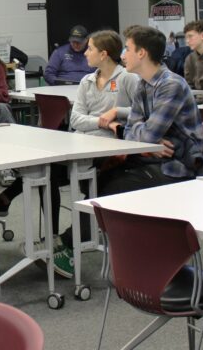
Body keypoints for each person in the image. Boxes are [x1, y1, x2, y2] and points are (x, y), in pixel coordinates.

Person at [52, 30, 141, 276]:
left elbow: (140, 111)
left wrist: (118, 114)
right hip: (84, 144)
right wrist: (102, 121)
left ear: (103, 54)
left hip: (113, 149)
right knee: (48, 173)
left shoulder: (127, 79)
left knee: (98, 185)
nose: (85, 52)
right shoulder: (86, 81)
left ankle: (71, 241)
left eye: (90, 48)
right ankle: (54, 238)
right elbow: (76, 119)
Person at [102, 25, 203, 192]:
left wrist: (149, 139)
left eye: (127, 49)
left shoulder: (171, 85)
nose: (122, 55)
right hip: (150, 160)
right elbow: (129, 131)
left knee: (114, 186)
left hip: (176, 167)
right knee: (101, 177)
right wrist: (153, 143)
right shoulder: (142, 84)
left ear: (141, 53)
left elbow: (148, 134)